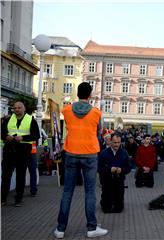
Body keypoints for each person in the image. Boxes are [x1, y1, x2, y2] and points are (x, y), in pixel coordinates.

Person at [54, 82, 108, 239]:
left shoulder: (67, 110)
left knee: (67, 191)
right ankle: (91, 228)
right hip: (90, 153)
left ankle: (60, 229)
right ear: (90, 95)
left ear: (77, 94)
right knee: (90, 191)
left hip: (71, 152)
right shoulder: (97, 113)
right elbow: (99, 130)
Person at [1, 101, 40, 207]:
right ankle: (2, 198)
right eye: (15, 108)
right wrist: (5, 137)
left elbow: (36, 135)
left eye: (19, 107)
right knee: (5, 175)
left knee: (20, 175)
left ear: (24, 109)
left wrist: (23, 138)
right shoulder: (8, 120)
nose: (17, 109)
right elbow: (2, 133)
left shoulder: (31, 120)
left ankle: (18, 199)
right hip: (9, 149)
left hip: (23, 150)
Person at [98, 132, 131, 213]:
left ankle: (116, 203)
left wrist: (122, 170)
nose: (117, 145)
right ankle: (104, 202)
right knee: (106, 209)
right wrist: (109, 169)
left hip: (119, 181)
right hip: (107, 181)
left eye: (118, 142)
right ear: (110, 141)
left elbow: (129, 167)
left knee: (118, 209)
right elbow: (99, 168)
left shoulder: (124, 153)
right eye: (115, 142)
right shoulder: (103, 153)